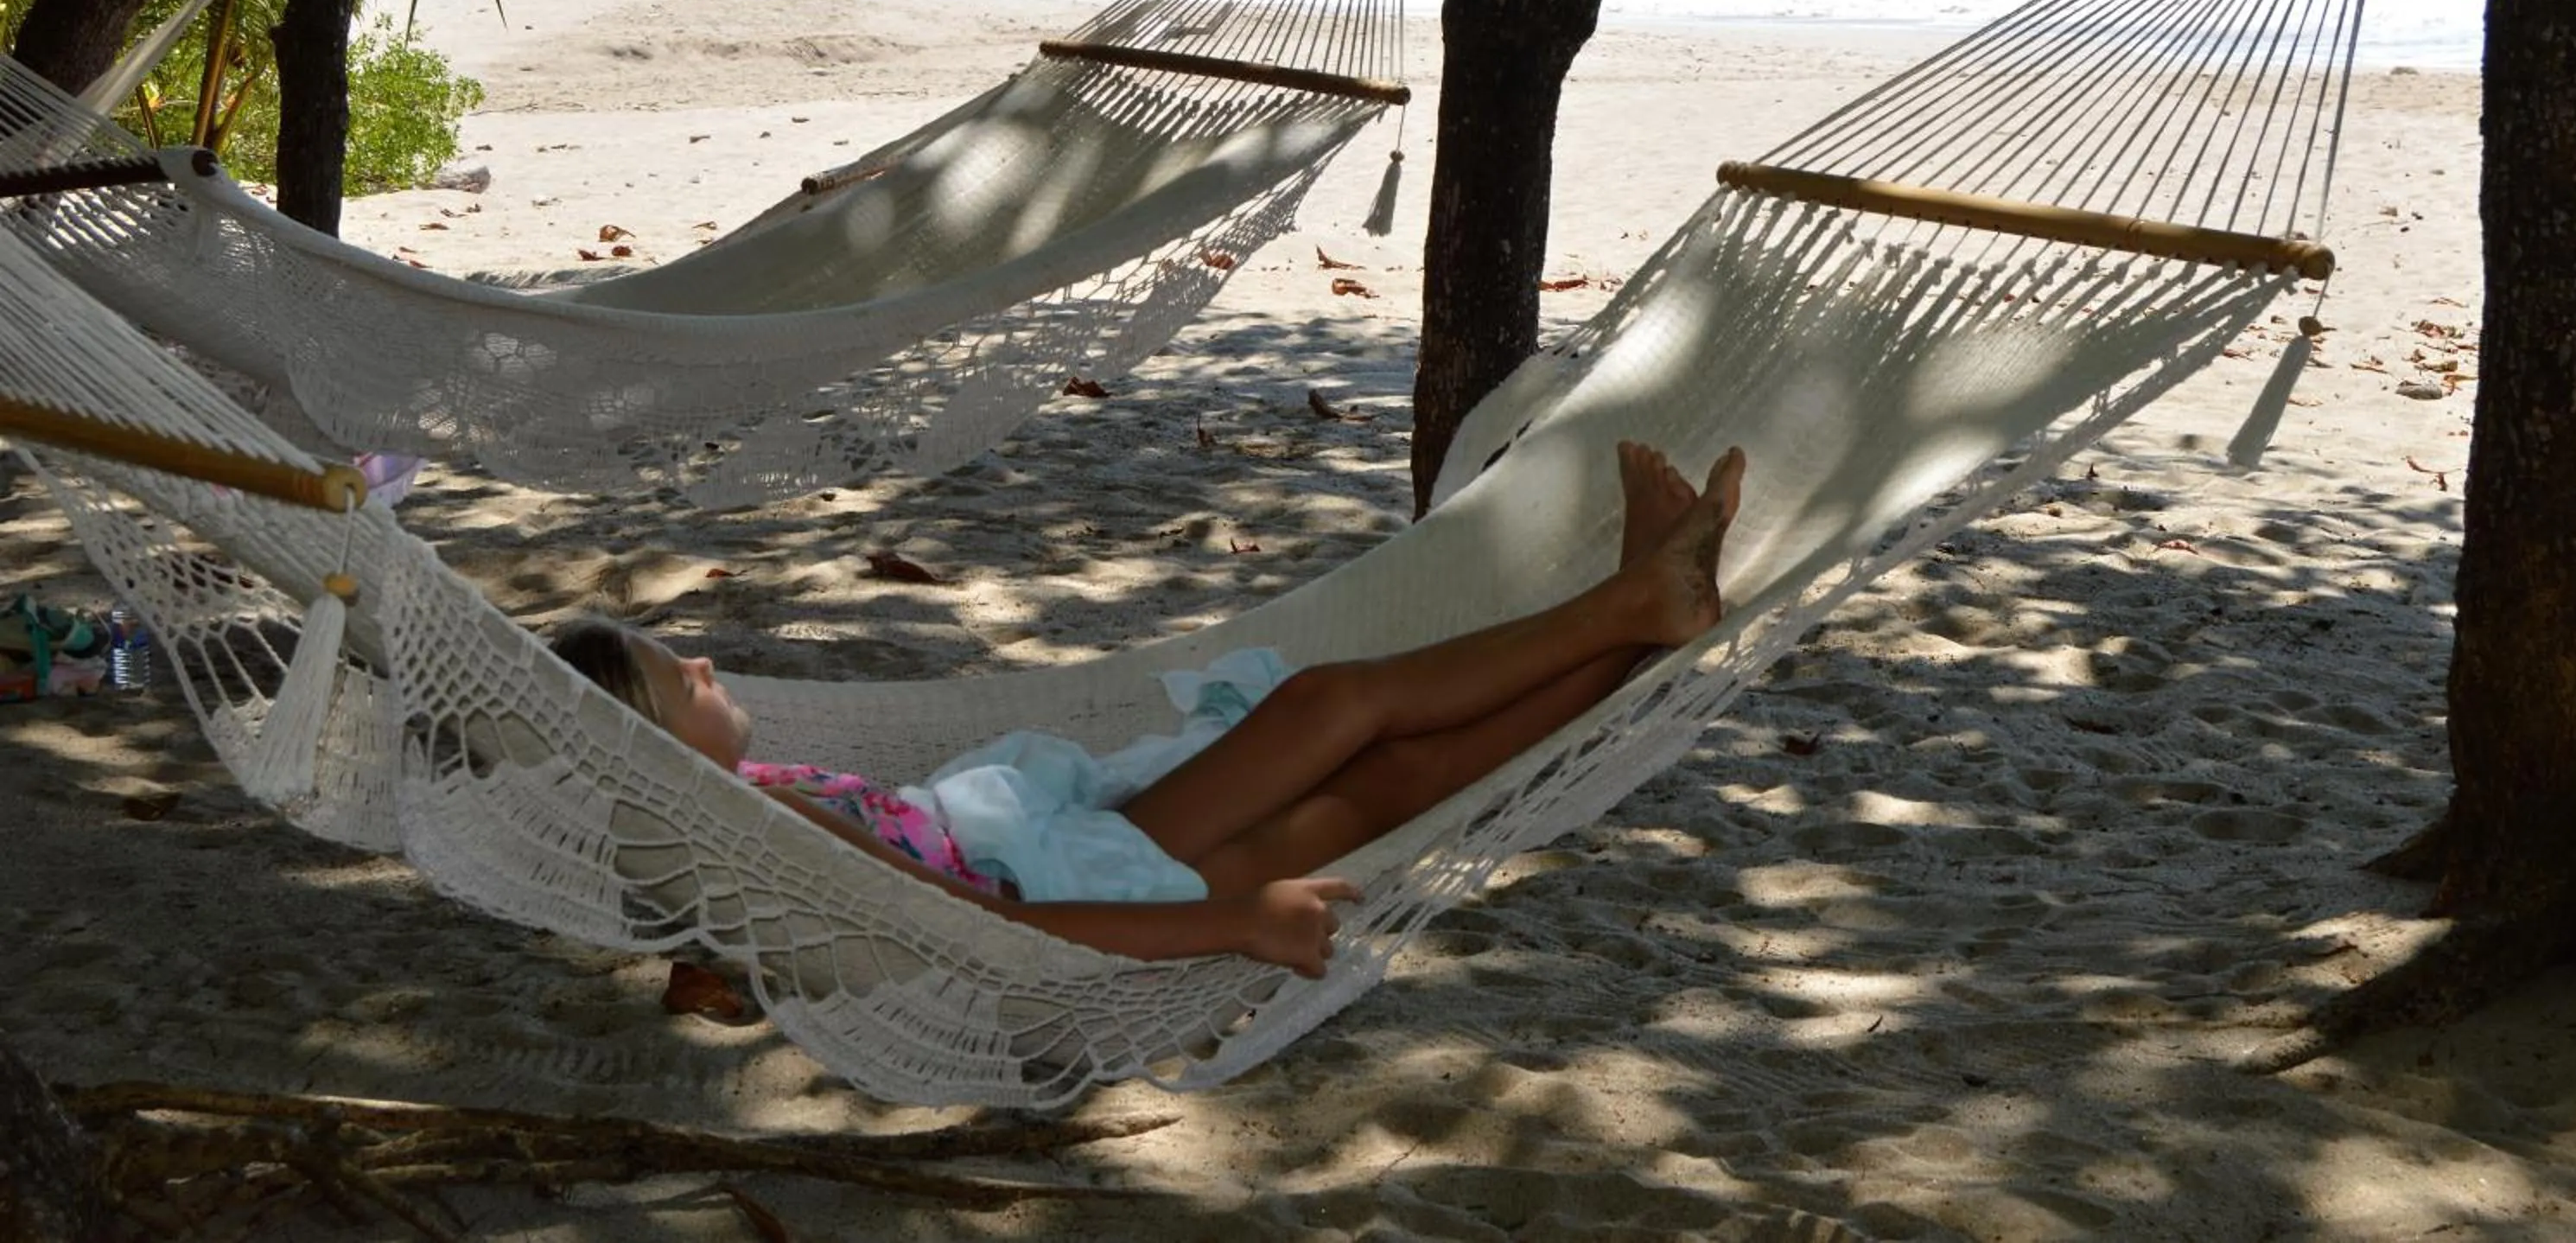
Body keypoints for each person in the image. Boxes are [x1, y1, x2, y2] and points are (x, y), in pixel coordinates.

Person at [555, 442, 1746, 979]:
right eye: (680, 680)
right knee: (1339, 705)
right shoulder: (764, 831)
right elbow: (990, 929)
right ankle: (1628, 603)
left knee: (1384, 780)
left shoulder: (735, 826)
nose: (708, 663)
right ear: (656, 751)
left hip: (1098, 854)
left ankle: (1638, 620)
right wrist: (1237, 924)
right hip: (1096, 880)